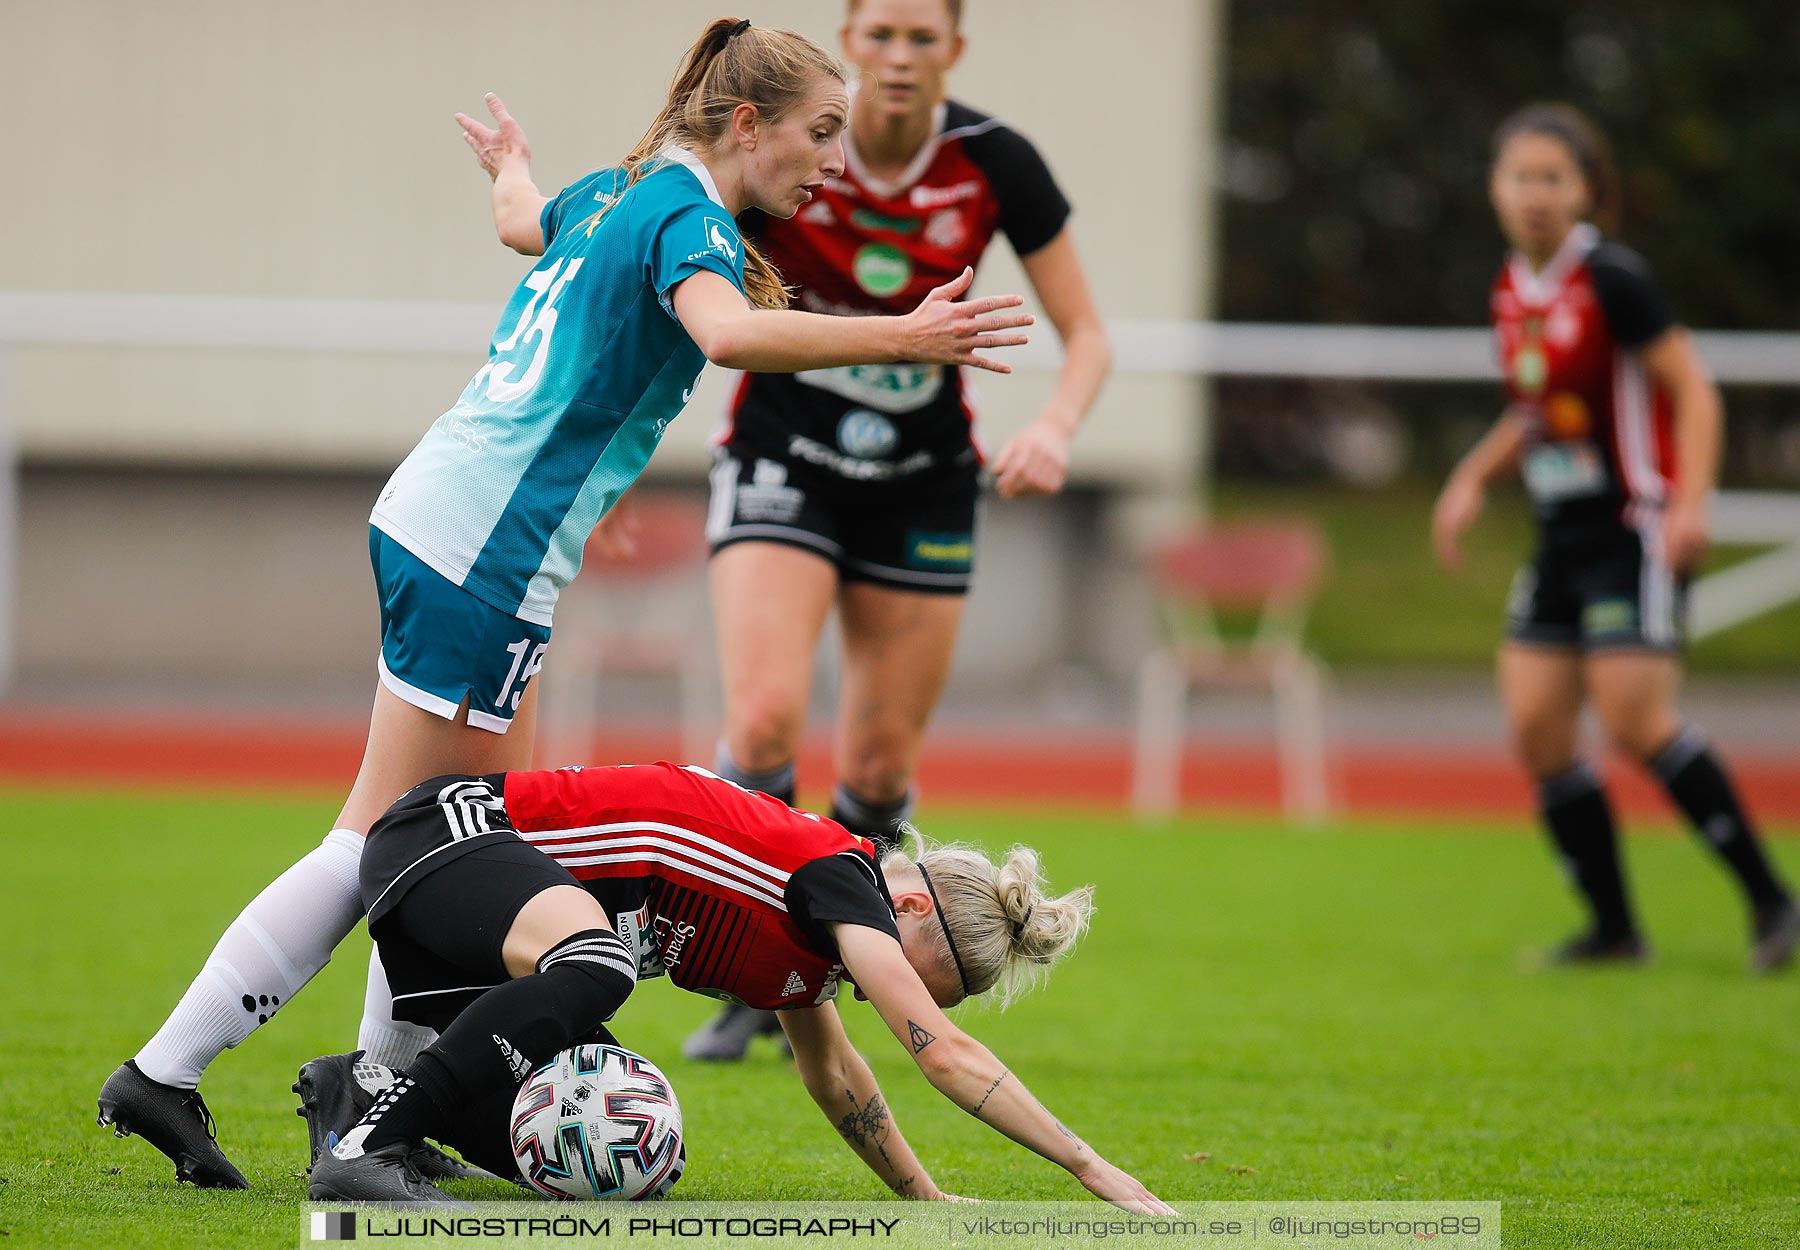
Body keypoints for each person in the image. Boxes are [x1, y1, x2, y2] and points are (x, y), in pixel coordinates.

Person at [96, 16, 1037, 1189]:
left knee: (472, 833)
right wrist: (905, 333)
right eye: (820, 133)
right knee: (389, 836)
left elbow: (517, 225)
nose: (835, 161)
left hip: (459, 523)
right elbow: (729, 333)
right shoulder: (685, 212)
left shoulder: (622, 186)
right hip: (483, 548)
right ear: (747, 124)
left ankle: (372, 1098)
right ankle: (182, 1073)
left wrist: (513, 171)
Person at [682, 0, 1112, 1062]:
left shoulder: (995, 161)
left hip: (920, 482)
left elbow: (1087, 334)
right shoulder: (784, 150)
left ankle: (834, 963)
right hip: (786, 457)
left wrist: (1056, 425)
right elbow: (683, 290)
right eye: (880, 34)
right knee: (769, 721)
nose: (901, 56)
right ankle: (753, 964)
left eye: (925, 37)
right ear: (850, 42)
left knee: (877, 759)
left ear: (954, 51)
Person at [298, 761, 1173, 1213]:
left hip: (473, 927)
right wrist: (1090, 1167)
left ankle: (360, 1101)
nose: (886, 997)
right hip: (443, 834)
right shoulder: (841, 874)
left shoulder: (812, 954)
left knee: (615, 1143)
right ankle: (358, 1161)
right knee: (598, 964)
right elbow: (939, 1054)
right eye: (912, 979)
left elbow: (839, 1080)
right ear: (906, 903)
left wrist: (924, 1199)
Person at [1431, 102, 1798, 971]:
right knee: (1536, 728)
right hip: (1559, 538)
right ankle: (1614, 930)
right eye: (1521, 177)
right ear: (1495, 188)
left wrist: (1692, 503)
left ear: (1589, 189)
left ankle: (1773, 902)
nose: (1536, 195)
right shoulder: (1512, 288)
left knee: (1636, 719)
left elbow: (1694, 390)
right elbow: (1535, 413)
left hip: (1632, 530)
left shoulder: (1615, 279)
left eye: (1555, 178)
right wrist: (1470, 479)